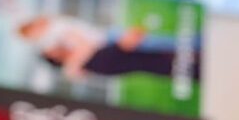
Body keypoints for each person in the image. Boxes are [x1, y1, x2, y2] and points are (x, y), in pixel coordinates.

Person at [15, 15, 183, 82]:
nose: (37, 39)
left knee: (162, 45)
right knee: (159, 53)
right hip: (108, 46)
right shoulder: (55, 34)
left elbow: (86, 46)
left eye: (32, 36)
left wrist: (71, 66)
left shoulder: (57, 29)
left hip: (109, 41)